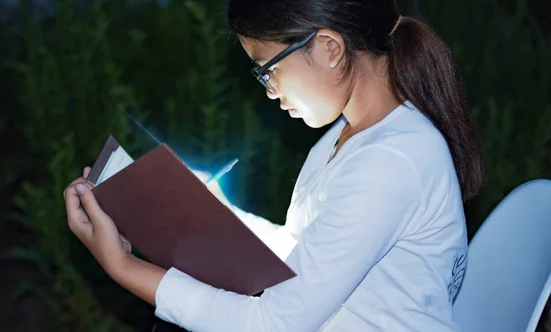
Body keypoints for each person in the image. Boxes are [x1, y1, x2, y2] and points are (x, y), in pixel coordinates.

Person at [63, 0, 484, 331]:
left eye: (268, 70)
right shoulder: (348, 134)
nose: (269, 91)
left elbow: (275, 323)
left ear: (329, 48)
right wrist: (206, 211)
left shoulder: (391, 162)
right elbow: (307, 254)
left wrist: (124, 267)